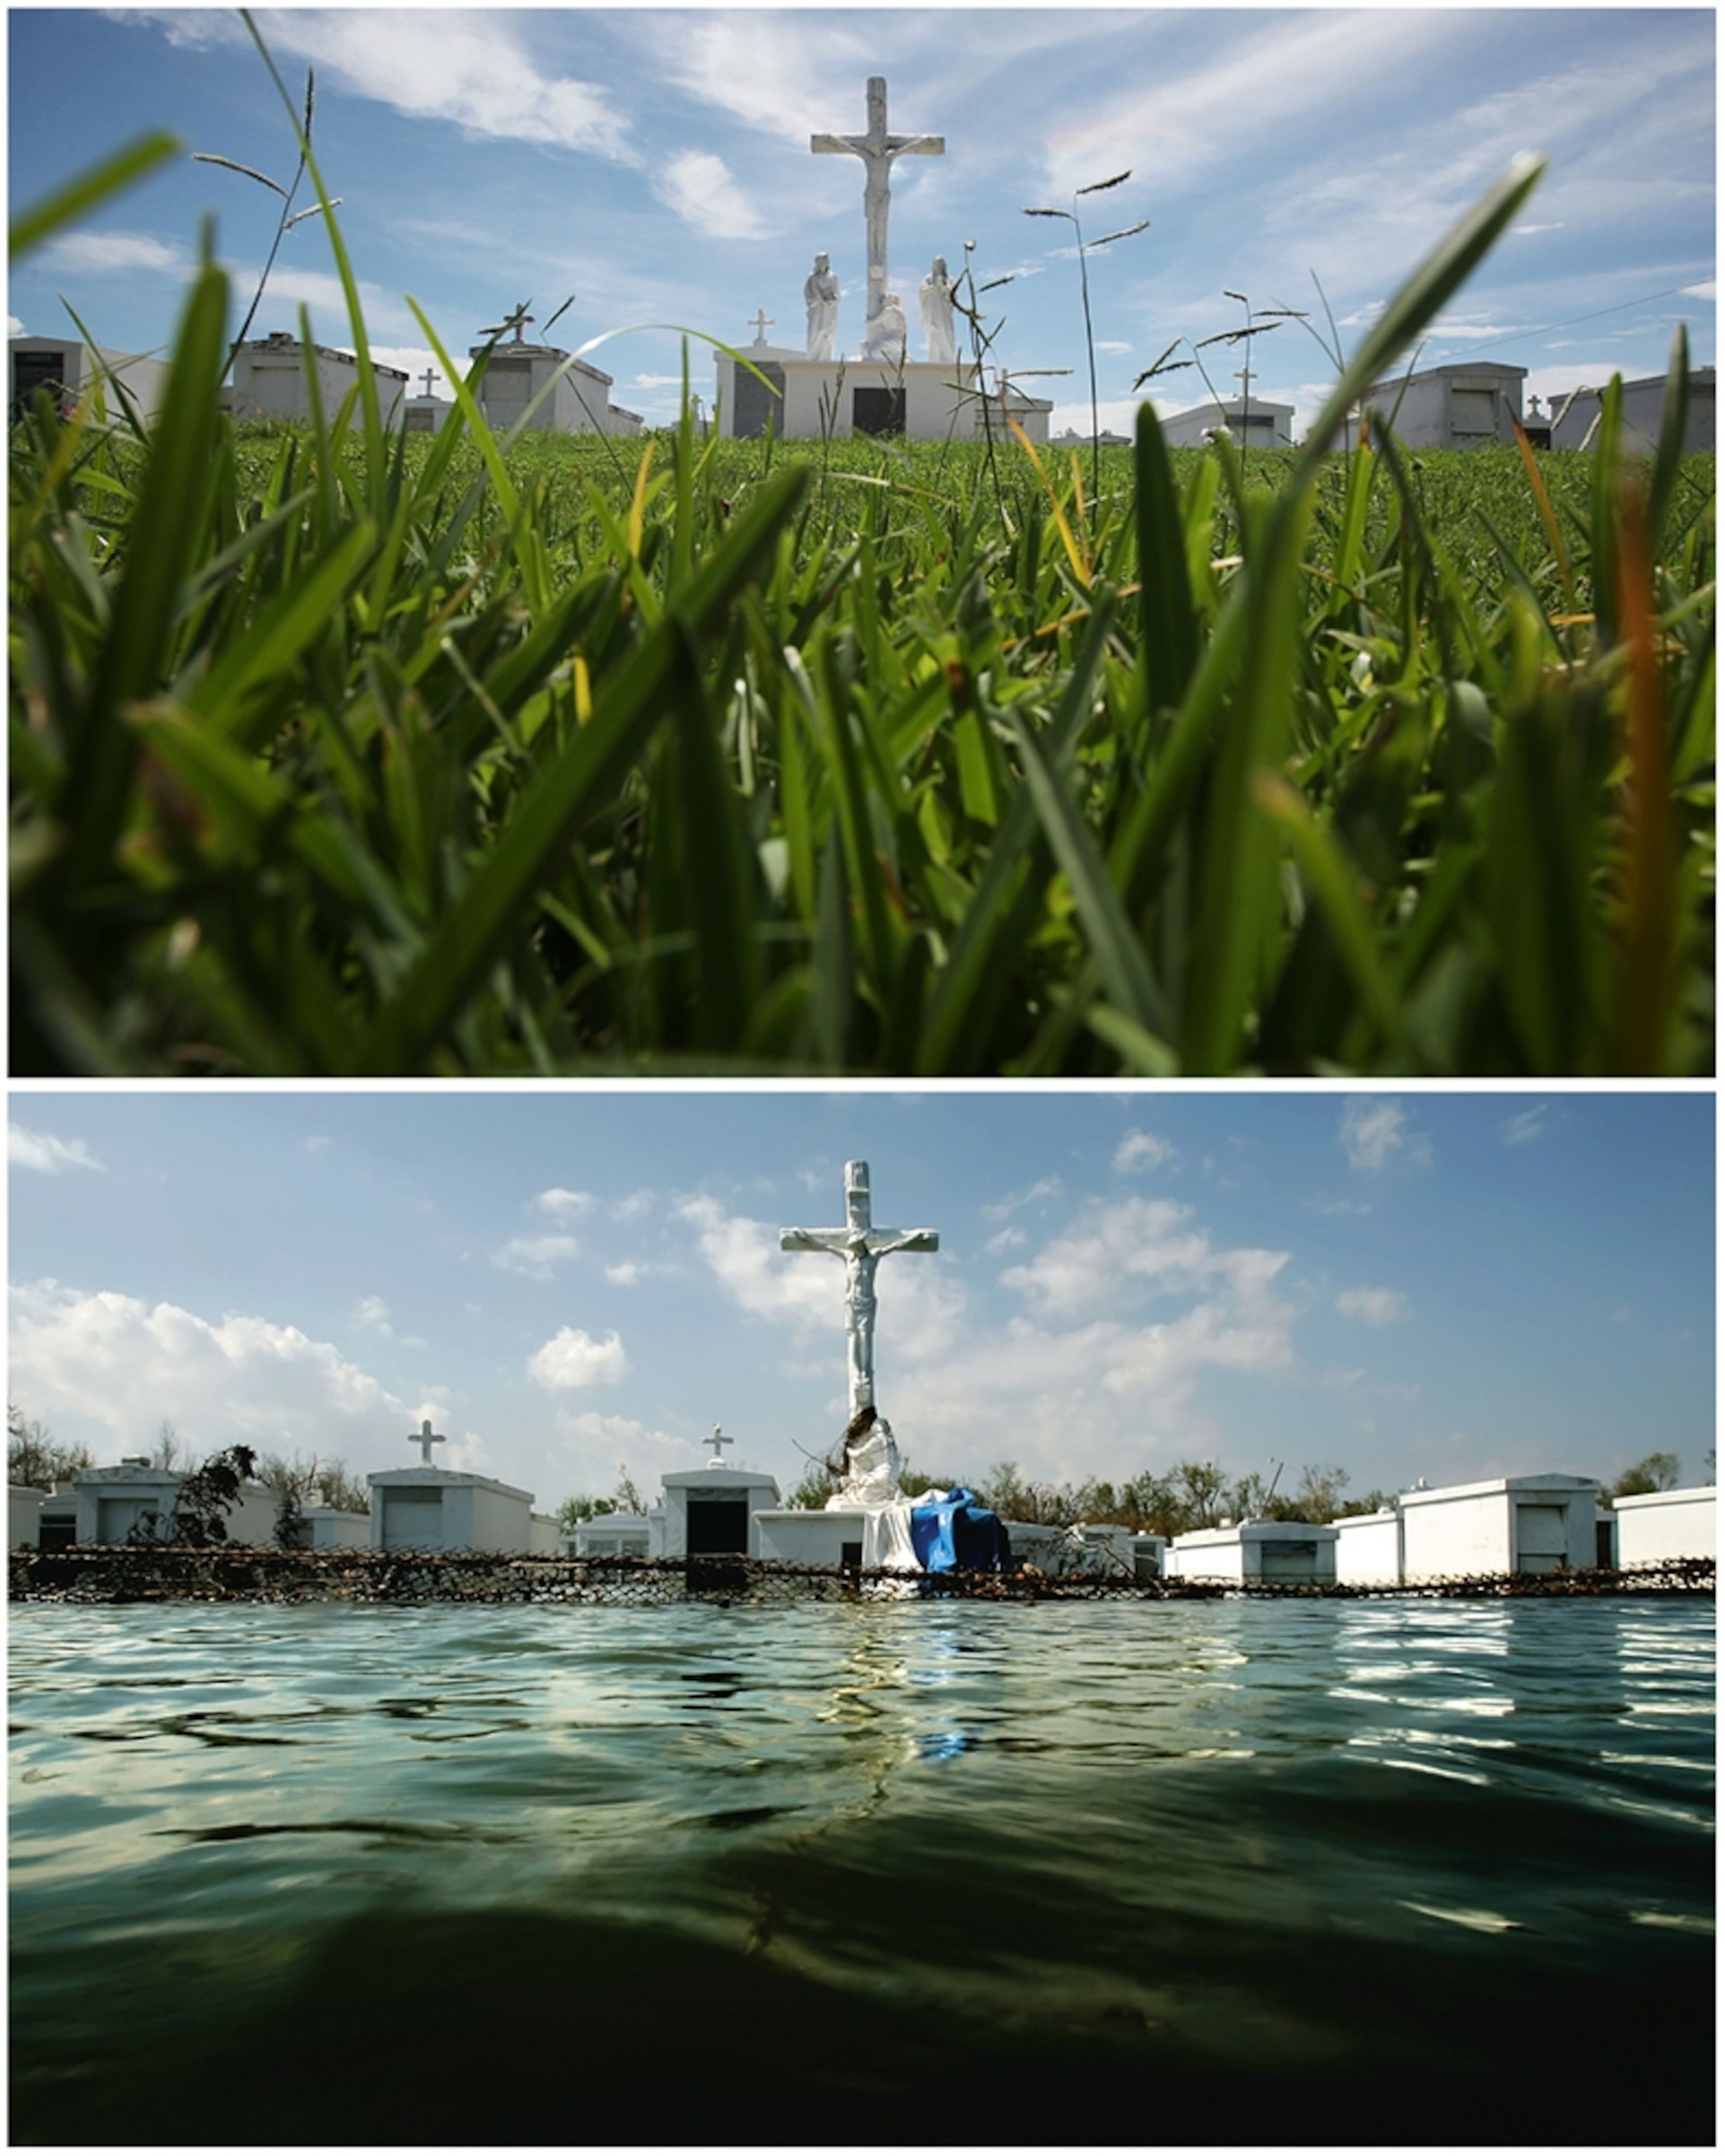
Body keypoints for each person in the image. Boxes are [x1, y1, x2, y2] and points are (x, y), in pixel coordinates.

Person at [919, 257, 956, 366]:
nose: (939, 267)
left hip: (945, 313)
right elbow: (922, 293)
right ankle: (935, 360)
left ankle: (947, 359)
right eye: (937, 264)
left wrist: (944, 288)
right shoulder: (928, 279)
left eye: (941, 264)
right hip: (933, 313)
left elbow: (953, 296)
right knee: (934, 335)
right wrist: (934, 288)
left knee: (947, 333)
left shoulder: (949, 280)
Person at [804, 253, 839, 361]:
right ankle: (814, 356)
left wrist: (832, 299)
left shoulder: (833, 277)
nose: (824, 263)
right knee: (816, 332)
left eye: (826, 261)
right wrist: (817, 300)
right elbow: (807, 293)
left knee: (827, 333)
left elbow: (837, 292)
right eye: (822, 261)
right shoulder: (812, 278)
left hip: (829, 310)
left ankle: (826, 357)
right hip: (817, 309)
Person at [860, 291, 907, 364]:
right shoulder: (900, 312)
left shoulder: (889, 310)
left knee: (873, 353)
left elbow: (874, 322)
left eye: (886, 298)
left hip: (893, 340)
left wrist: (867, 319)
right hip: (900, 342)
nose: (883, 300)